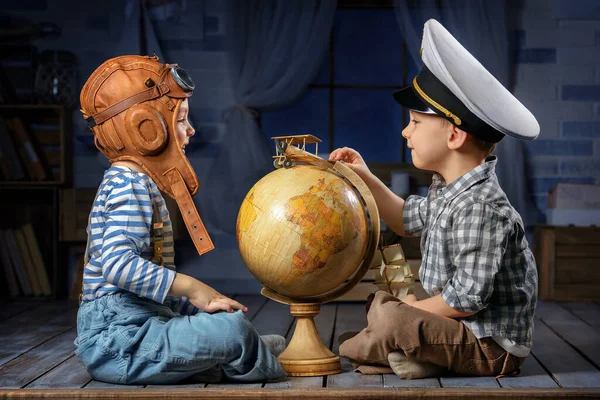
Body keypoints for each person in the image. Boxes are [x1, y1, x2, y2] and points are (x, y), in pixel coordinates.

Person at [329, 19, 540, 379]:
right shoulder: (450, 188)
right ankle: (405, 352)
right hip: (460, 328)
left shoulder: (481, 207)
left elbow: (465, 300)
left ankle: (384, 345)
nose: (405, 131)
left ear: (454, 136)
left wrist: (415, 309)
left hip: (488, 344)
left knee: (394, 315)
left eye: (414, 122)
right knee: (385, 306)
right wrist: (366, 178)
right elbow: (405, 218)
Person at [74, 55, 286, 385]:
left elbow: (147, 289)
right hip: (119, 342)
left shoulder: (139, 183)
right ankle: (248, 351)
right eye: (181, 120)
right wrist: (193, 287)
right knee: (231, 331)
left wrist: (196, 307)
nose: (191, 130)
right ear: (146, 130)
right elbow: (118, 266)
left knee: (221, 321)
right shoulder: (128, 186)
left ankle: (240, 348)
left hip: (140, 326)